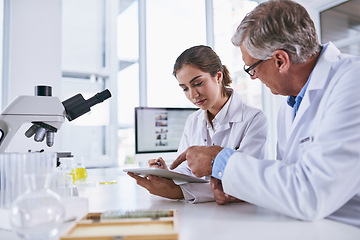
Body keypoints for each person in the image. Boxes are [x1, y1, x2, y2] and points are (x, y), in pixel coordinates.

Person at [170, 0, 360, 227]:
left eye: (252, 68)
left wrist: (218, 160)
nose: (253, 77)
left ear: (280, 60)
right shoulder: (289, 107)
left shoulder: (352, 83)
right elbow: (287, 181)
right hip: (309, 226)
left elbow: (311, 194)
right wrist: (242, 189)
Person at [128, 45, 268, 203]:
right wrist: (167, 174)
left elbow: (246, 178)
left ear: (218, 76)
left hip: (241, 213)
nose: (193, 95)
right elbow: (187, 168)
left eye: (198, 83)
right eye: (185, 89)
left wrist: (179, 192)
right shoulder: (193, 120)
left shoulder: (254, 119)